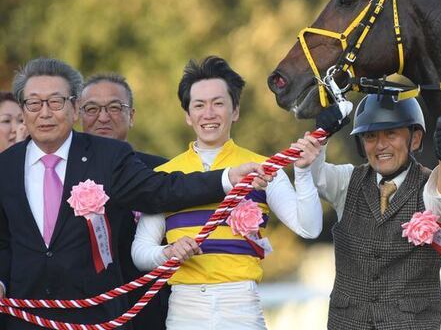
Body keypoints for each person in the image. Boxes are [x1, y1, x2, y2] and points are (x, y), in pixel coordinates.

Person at [0, 57, 264, 330]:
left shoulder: (107, 156)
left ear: (75, 107)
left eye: (56, 102)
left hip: (97, 317)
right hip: (24, 317)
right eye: (34, 103)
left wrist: (226, 177)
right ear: (23, 108)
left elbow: (163, 190)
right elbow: (3, 241)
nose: (44, 112)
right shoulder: (5, 167)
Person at [132, 56, 322, 330]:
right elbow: (140, 251)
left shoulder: (264, 168)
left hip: (241, 306)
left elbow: (309, 228)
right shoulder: (165, 175)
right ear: (187, 115)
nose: (209, 114)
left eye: (218, 103)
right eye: (199, 105)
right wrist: (168, 251)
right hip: (184, 309)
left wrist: (303, 172)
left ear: (235, 111)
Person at [292, 94, 441, 330]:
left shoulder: (430, 186)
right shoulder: (348, 182)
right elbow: (315, 176)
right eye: (371, 136)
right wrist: (321, 136)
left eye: (391, 134)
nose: (381, 145)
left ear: (415, 139)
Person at [78, 73, 169, 330]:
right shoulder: (66, 174)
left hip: (153, 307)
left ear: (132, 115)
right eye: (92, 108)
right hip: (88, 311)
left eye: (115, 107)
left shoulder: (160, 170)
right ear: (79, 115)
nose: (103, 117)